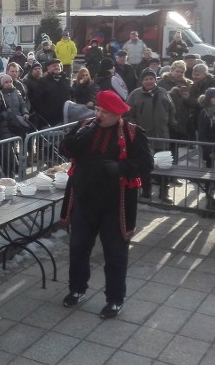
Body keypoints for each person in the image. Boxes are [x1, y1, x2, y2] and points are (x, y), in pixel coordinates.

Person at [59, 90, 153, 319]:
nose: (99, 115)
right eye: (98, 110)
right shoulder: (85, 125)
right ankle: (77, 288)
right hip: (84, 198)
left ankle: (115, 298)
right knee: (79, 247)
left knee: (115, 252)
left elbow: (146, 163)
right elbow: (64, 149)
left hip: (114, 203)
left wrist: (121, 168)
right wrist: (80, 135)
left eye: (104, 112)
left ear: (116, 114)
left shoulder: (132, 133)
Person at [124, 68, 175, 202]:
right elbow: (128, 114)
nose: (149, 81)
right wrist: (136, 127)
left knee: (164, 165)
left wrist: (170, 124)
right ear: (142, 81)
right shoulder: (135, 94)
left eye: (151, 78)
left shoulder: (163, 92)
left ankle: (164, 192)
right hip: (143, 137)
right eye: (146, 79)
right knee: (145, 165)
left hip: (162, 135)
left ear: (155, 80)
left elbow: (171, 110)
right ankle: (146, 190)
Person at [30, 59, 71, 128]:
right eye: (54, 66)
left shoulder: (67, 81)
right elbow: (36, 100)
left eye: (58, 66)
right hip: (48, 120)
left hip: (64, 118)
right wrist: (45, 113)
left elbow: (71, 96)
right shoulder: (42, 82)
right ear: (48, 69)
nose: (57, 67)